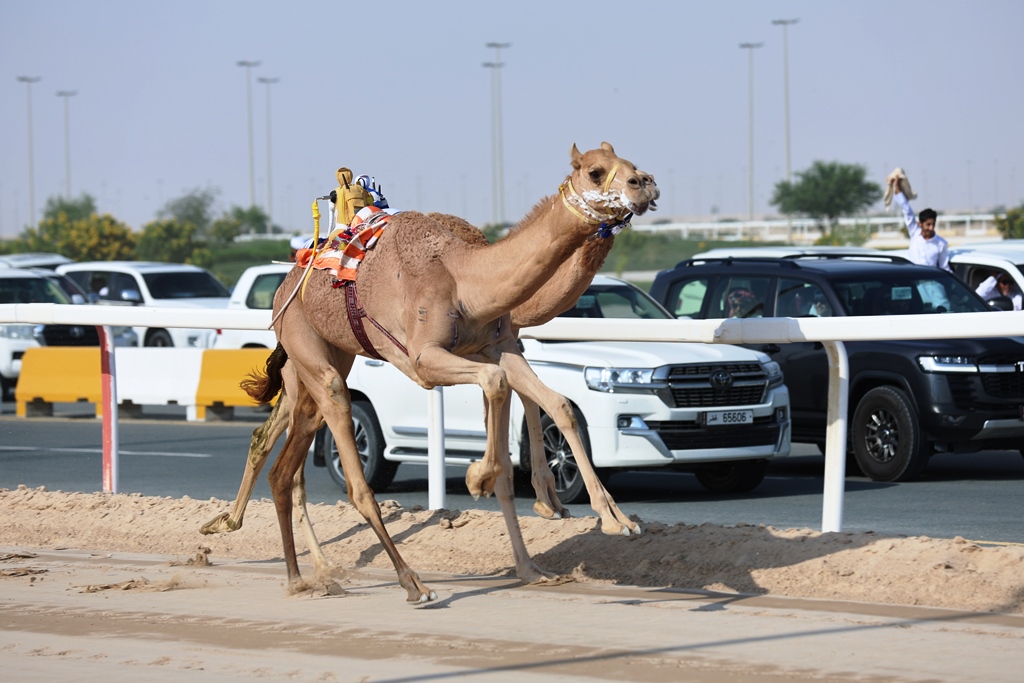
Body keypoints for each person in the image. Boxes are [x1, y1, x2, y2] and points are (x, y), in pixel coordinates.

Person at [888, 175, 951, 272]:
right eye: (928, 225)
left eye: (933, 224)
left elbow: (944, 268)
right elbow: (907, 210)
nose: (931, 228)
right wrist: (897, 187)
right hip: (913, 279)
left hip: (931, 283)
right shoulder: (915, 233)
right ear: (920, 223)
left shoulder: (941, 244)